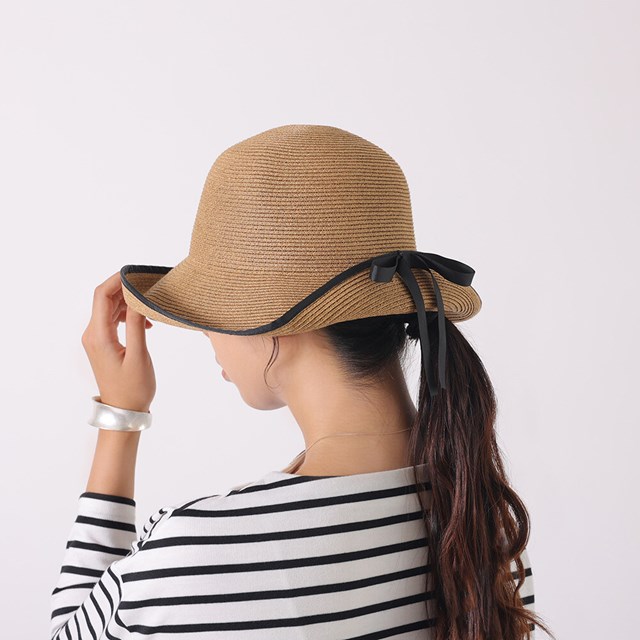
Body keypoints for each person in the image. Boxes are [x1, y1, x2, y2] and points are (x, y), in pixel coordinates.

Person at [50, 124, 555, 639]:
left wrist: (121, 415)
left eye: (213, 311)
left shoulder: (198, 555)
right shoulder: (483, 522)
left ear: (272, 323)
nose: (204, 330)